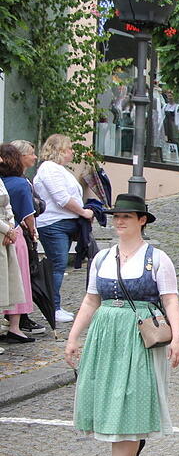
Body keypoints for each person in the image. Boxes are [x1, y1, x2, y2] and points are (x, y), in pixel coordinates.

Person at [65, 194, 179, 456]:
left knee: (130, 398)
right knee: (110, 400)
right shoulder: (102, 258)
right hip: (105, 336)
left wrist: (177, 338)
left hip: (140, 337)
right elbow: (91, 300)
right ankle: (132, 444)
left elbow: (170, 299)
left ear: (142, 220)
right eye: (117, 216)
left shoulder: (157, 259)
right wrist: (73, 337)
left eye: (127, 216)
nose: (119, 221)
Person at [33, 134, 95, 323]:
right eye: (69, 148)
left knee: (59, 265)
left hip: (65, 222)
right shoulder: (49, 169)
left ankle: (55, 305)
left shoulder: (59, 169)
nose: (72, 152)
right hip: (54, 223)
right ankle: (53, 307)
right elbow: (61, 198)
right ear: (59, 150)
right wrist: (83, 212)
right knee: (57, 264)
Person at [0, 144, 36, 343]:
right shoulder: (21, 183)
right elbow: (27, 213)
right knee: (17, 280)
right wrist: (27, 231)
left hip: (8, 232)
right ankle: (14, 326)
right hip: (12, 235)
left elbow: (8, 209)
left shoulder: (3, 181)